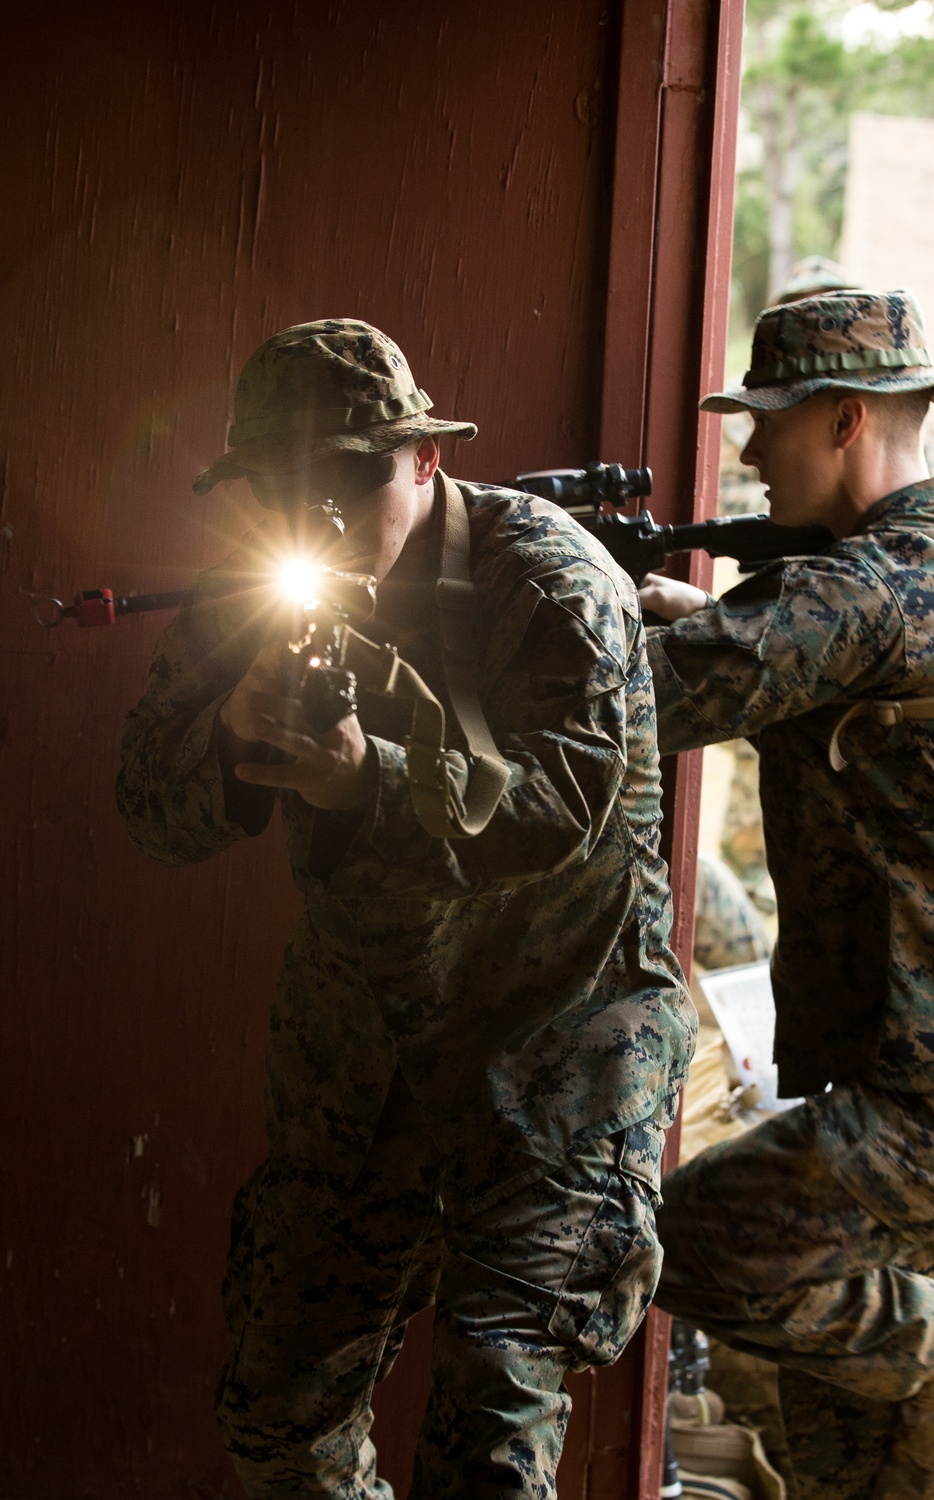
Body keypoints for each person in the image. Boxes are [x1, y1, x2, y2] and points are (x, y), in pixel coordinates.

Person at [116, 319, 695, 1499]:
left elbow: (559, 813)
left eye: (350, 477)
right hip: (365, 1060)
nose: (317, 516)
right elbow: (145, 802)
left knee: (489, 1434)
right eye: (283, 487)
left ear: (425, 460)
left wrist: (358, 773)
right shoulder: (254, 586)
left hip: (557, 1054)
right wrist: (231, 745)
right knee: (279, 1425)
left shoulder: (549, 577)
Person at [640, 288, 934, 1500]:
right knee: (867, 1459)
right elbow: (844, 696)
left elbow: (632, 705)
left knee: (687, 1236)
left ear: (845, 419)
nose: (745, 452)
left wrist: (547, 581)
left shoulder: (876, 591)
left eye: (768, 424)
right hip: (917, 1063)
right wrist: (718, 619)